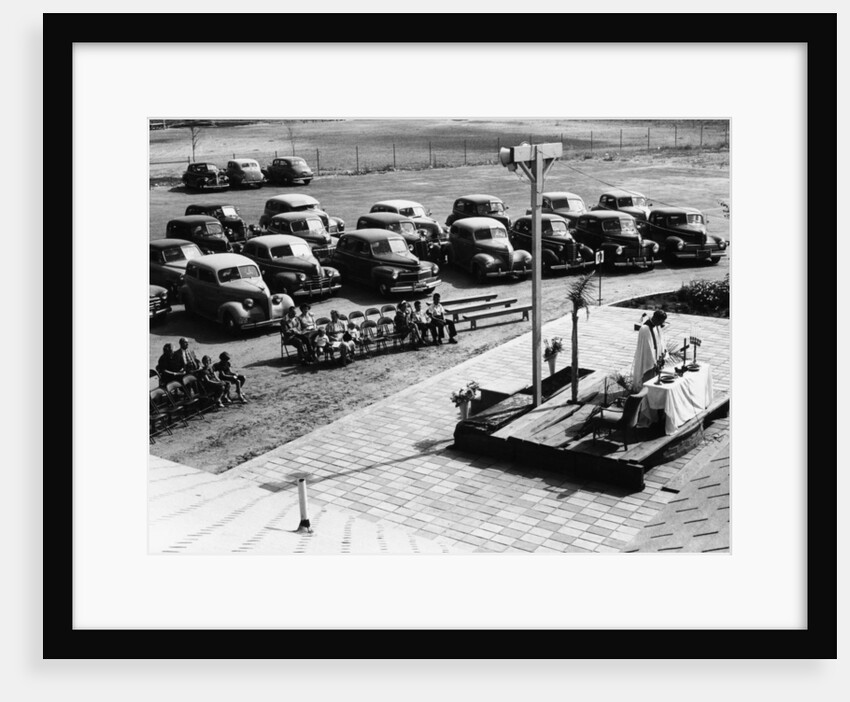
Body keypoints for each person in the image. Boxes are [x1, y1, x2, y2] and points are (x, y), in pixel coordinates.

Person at [632, 309, 669, 389]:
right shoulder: (645, 329)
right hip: (647, 360)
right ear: (656, 319)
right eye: (660, 322)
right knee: (646, 380)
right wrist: (653, 362)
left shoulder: (657, 326)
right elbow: (647, 349)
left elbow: (660, 341)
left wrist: (662, 355)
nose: (661, 324)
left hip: (655, 359)